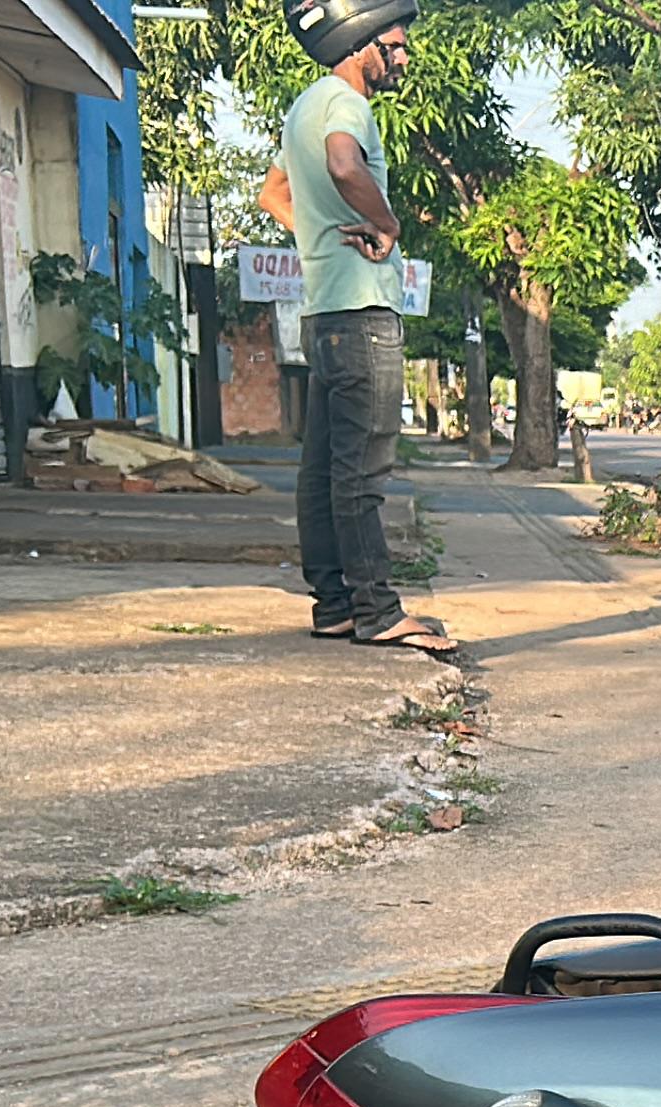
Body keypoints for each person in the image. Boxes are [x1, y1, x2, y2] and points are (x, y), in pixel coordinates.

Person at [262, 0, 454, 656]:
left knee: (320, 472)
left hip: (323, 314)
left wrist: (316, 238)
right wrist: (389, 225)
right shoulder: (347, 105)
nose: (402, 58)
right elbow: (345, 165)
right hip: (362, 314)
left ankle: (334, 607)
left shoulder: (300, 108)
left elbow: (273, 194)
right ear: (360, 43)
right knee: (361, 473)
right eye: (394, 46)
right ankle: (377, 609)